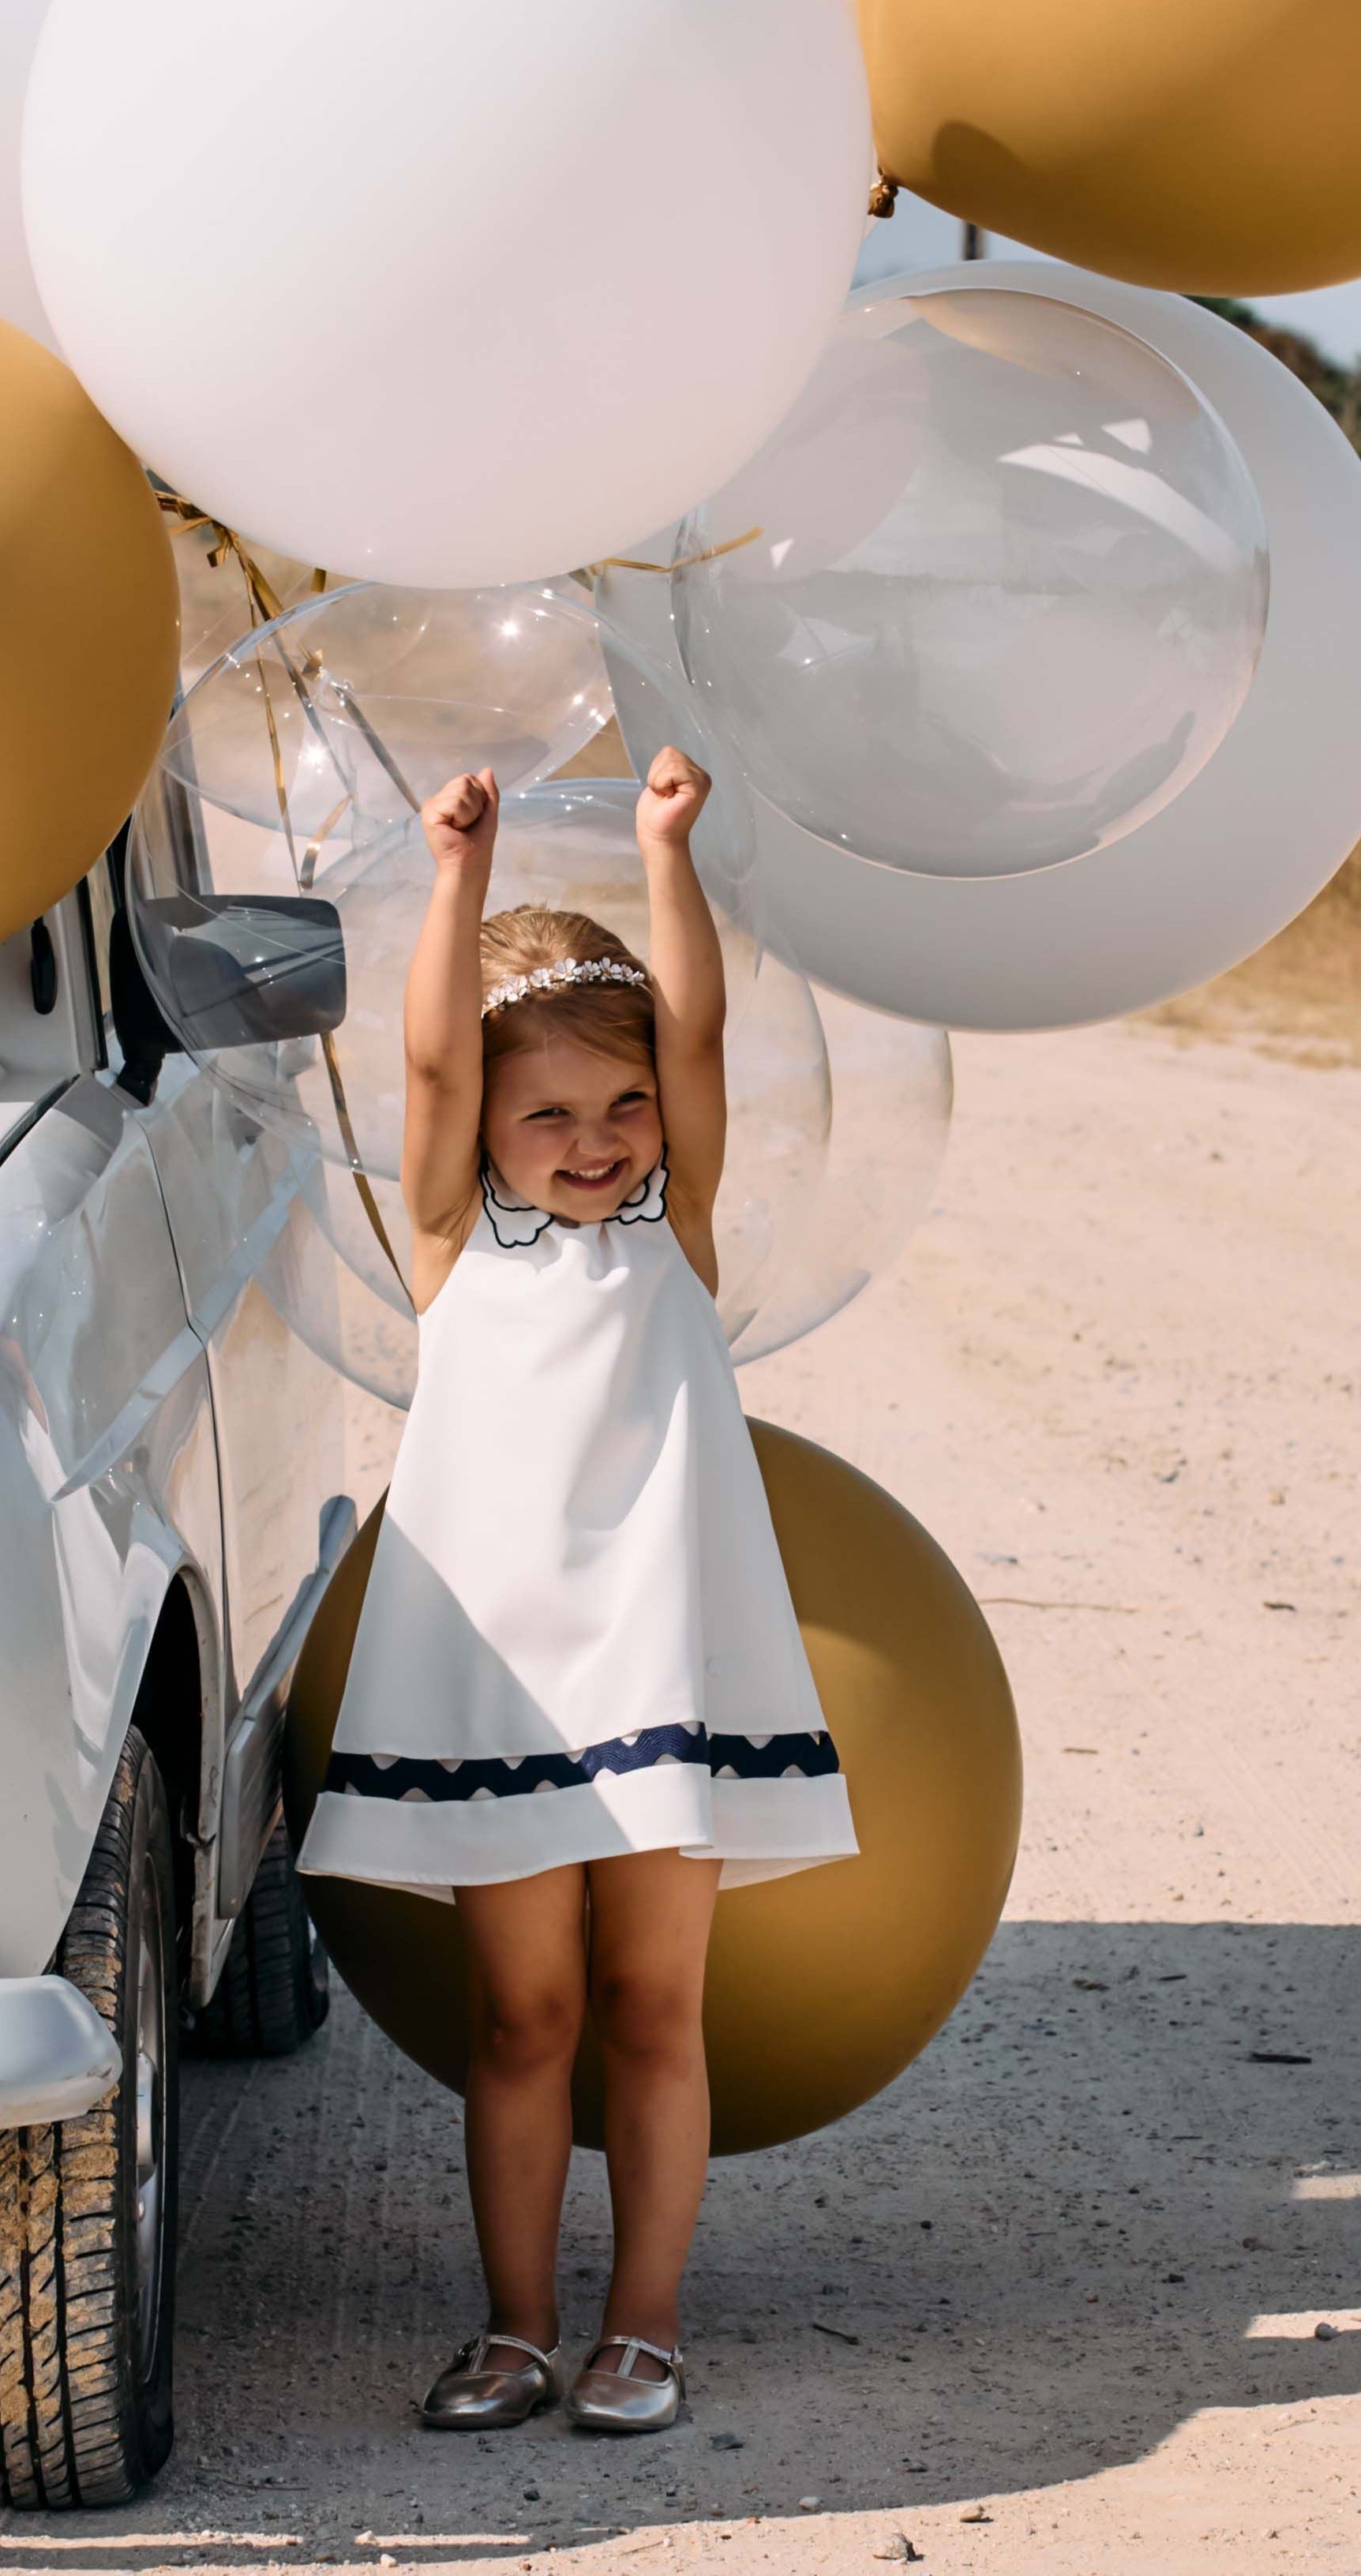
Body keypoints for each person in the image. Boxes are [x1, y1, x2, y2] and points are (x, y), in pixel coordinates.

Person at [296, 746, 857, 2434]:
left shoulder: (673, 1239)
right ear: (486, 1123)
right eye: (546, 1111)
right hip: (501, 1690)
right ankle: (517, 2326)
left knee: (652, 2005)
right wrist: (453, 879)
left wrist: (663, 851)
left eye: (618, 1110)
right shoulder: (452, 1246)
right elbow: (420, 1054)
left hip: (661, 1675)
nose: (598, 1139)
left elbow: (692, 1036)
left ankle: (648, 2324)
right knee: (525, 2013)